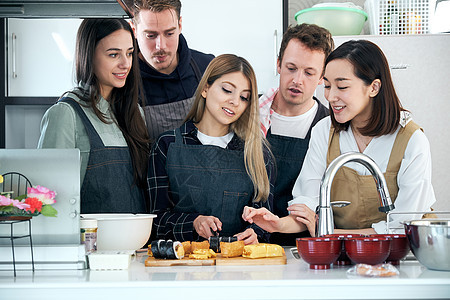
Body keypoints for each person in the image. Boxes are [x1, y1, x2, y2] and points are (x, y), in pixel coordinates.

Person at [243, 40, 436, 236]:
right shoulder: (324, 130)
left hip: (400, 256)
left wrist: (332, 234)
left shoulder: (412, 141)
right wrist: (278, 225)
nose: (330, 96)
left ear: (374, 88)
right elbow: (308, 203)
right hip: (341, 254)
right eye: (327, 85)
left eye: (342, 87)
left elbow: (403, 225)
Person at [148, 54, 275, 244]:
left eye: (244, 97)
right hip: (181, 268)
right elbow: (154, 222)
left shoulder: (257, 153)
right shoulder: (167, 145)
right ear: (206, 88)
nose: (235, 101)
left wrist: (256, 233)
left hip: (239, 269)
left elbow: (265, 219)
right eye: (227, 90)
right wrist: (194, 222)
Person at [38, 19, 150, 214]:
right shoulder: (66, 115)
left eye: (130, 53)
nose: (125, 64)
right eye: (114, 54)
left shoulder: (135, 113)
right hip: (88, 243)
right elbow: (49, 201)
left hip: (137, 242)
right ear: (88, 55)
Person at [258, 24, 333, 245]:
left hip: (304, 248)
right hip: (251, 243)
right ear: (278, 64)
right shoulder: (250, 115)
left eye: (309, 73)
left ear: (322, 77)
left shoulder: (330, 127)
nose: (298, 80)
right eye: (291, 68)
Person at [131, 0, 215, 141]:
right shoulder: (123, 79)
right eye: (151, 36)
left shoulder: (207, 67)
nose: (160, 46)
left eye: (169, 33)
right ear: (134, 30)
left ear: (180, 25)